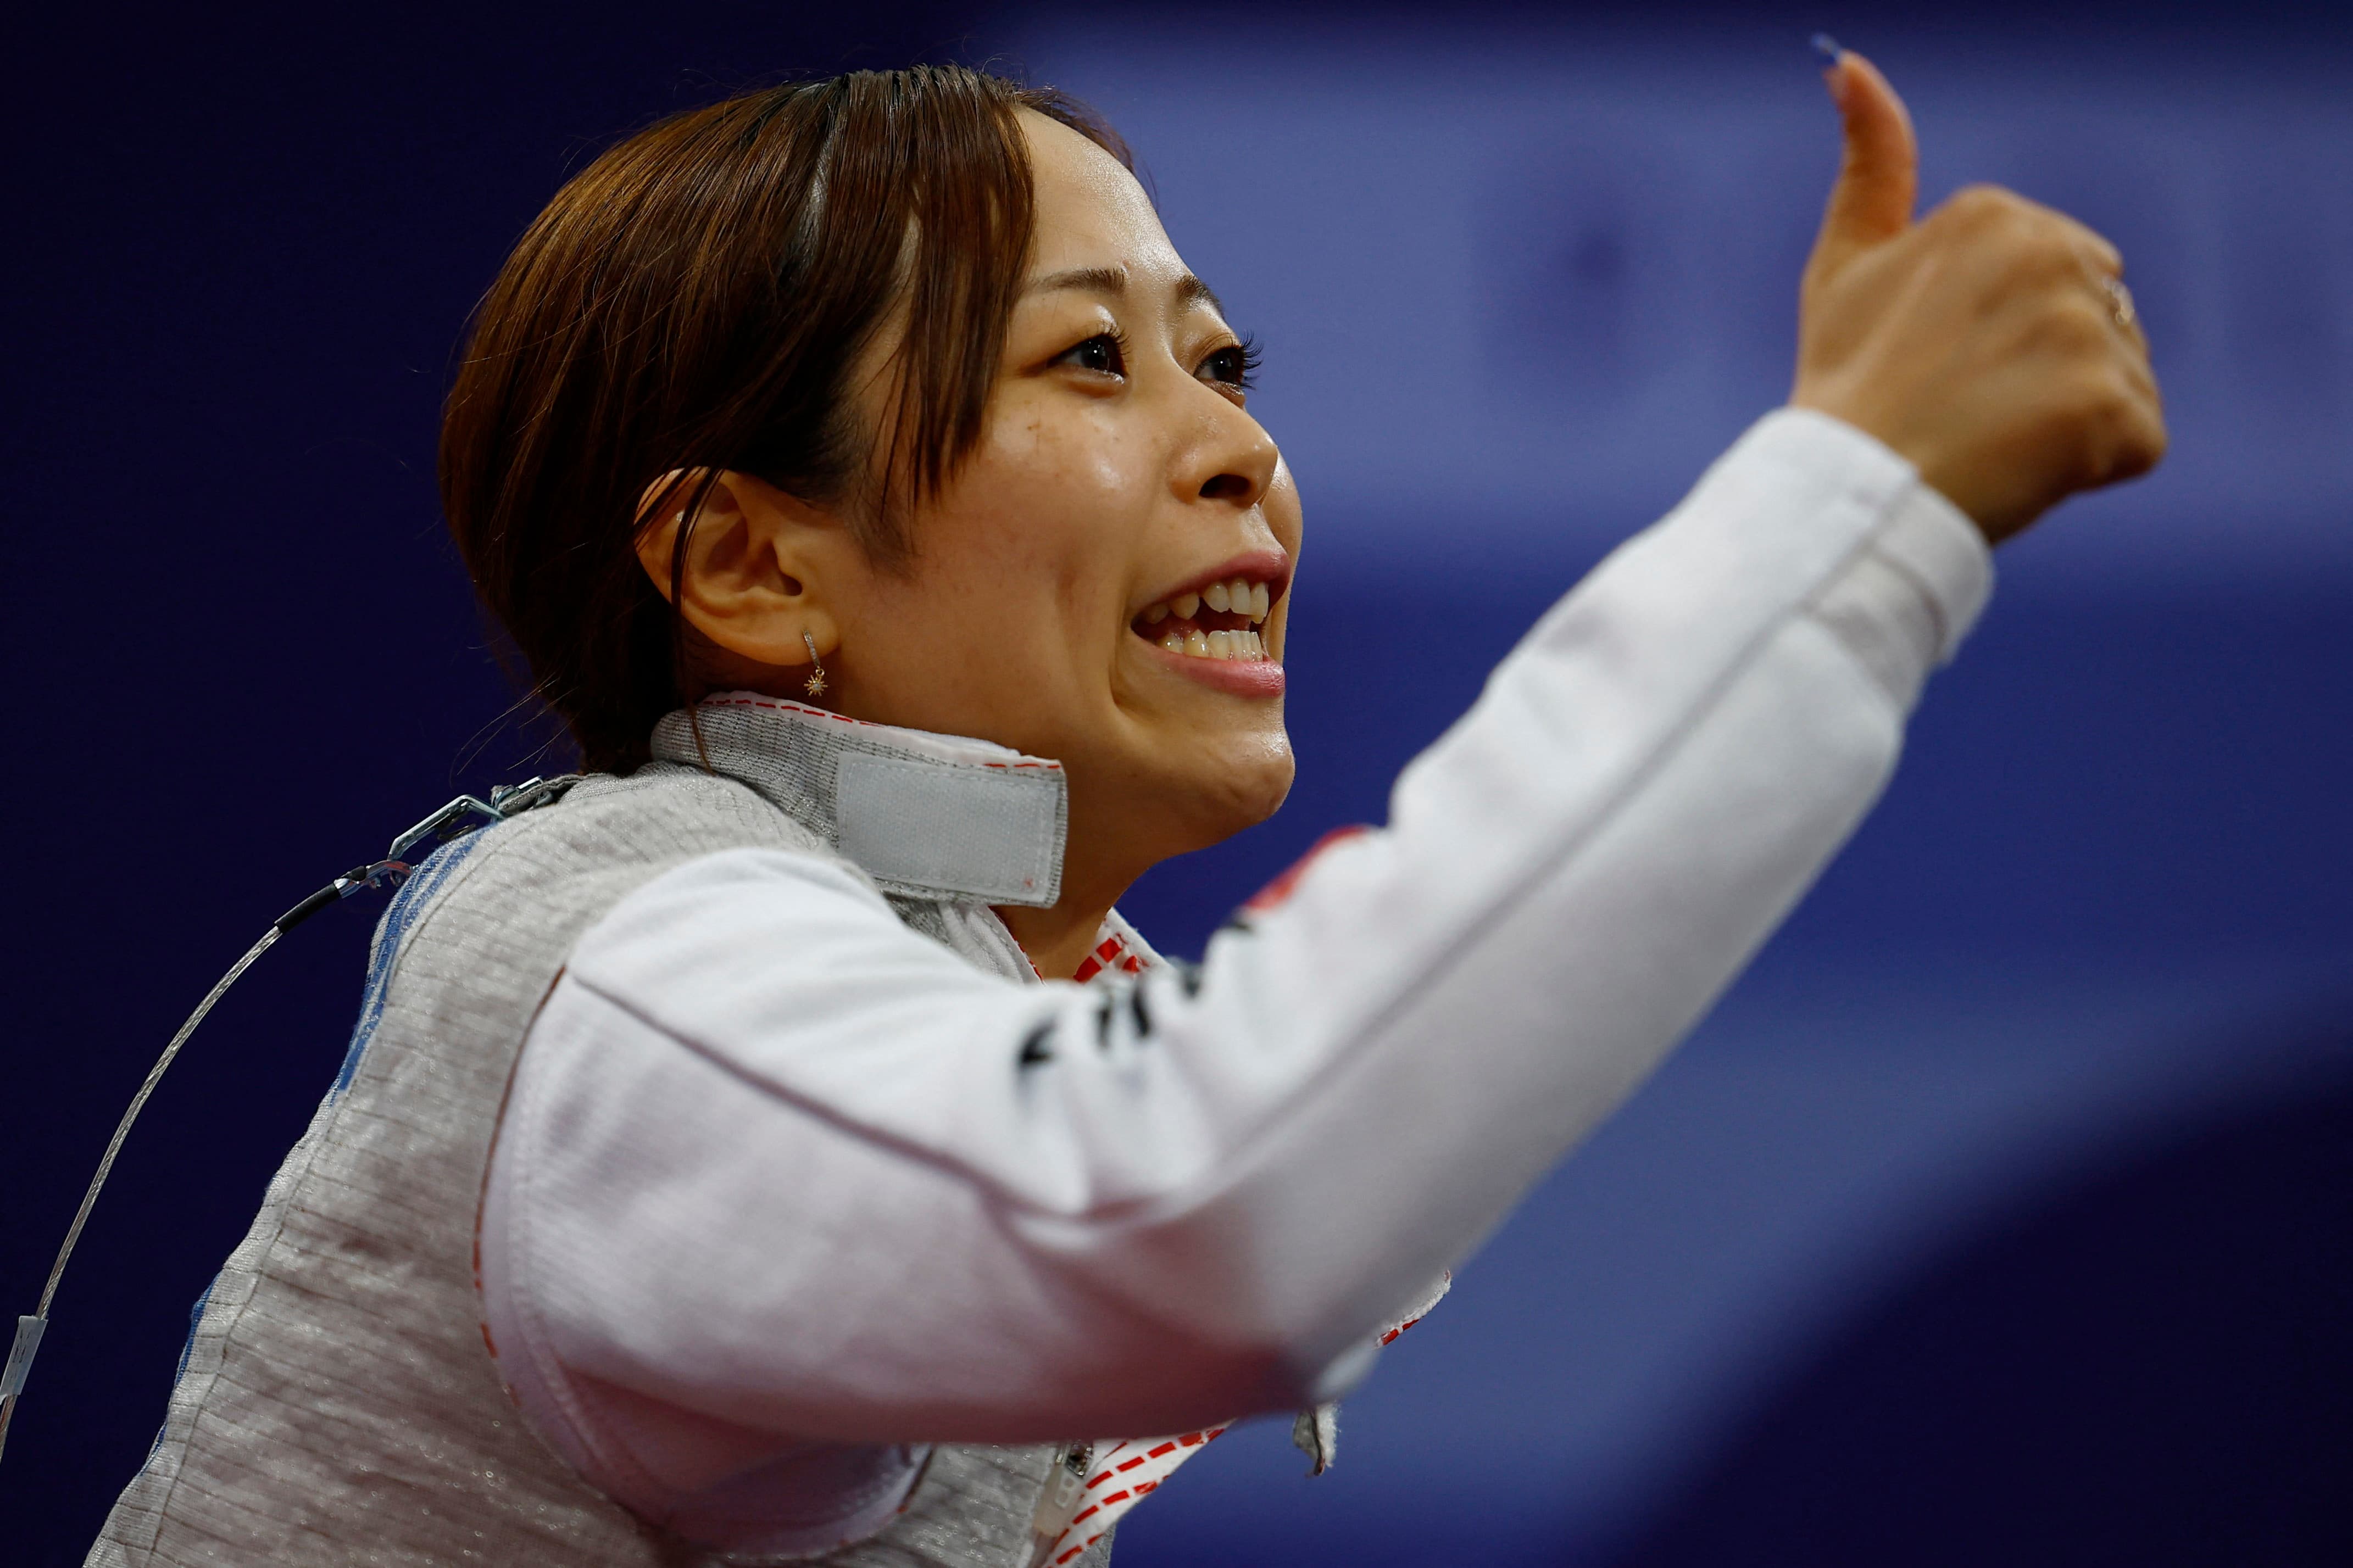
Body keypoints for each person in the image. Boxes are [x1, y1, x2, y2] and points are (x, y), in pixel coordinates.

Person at [86, 48, 2162, 1568]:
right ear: (748, 565)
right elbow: (1199, 1205)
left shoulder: (930, 977)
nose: (1238, 451)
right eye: (1088, 364)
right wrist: (1857, 508)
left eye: (1226, 363)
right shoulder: (635, 975)